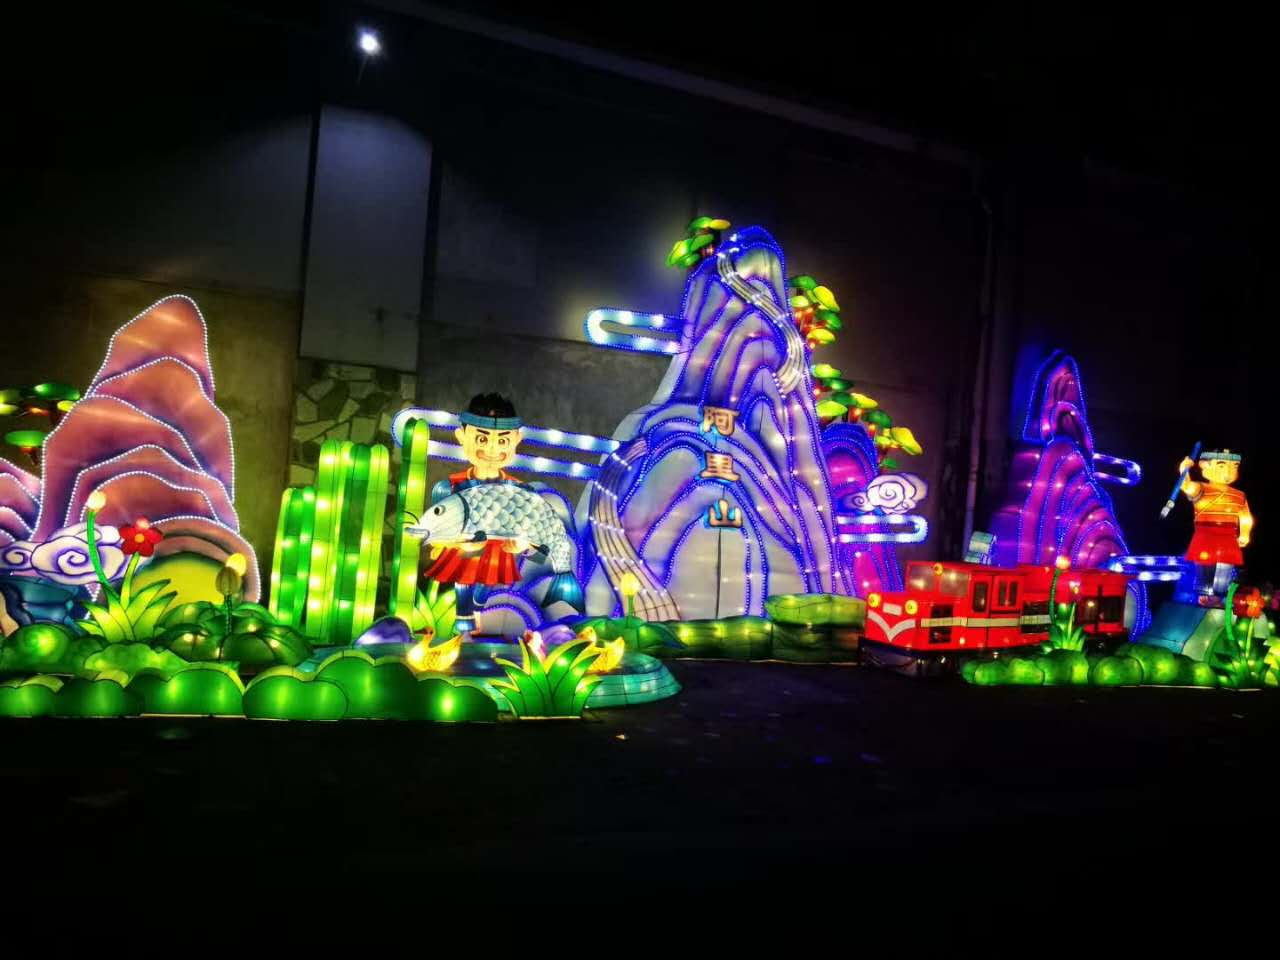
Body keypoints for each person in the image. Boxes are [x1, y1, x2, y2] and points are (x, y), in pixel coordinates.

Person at [419, 393, 582, 636]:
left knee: (489, 604)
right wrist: (459, 545)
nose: (492, 449)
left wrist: (523, 547)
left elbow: (538, 553)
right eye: (482, 439)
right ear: (461, 436)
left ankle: (480, 622)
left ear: (517, 440)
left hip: (501, 572)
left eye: (503, 440)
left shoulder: (522, 494)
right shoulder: (449, 489)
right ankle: (463, 625)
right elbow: (435, 536)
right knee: (464, 593)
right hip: (462, 567)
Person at [1178, 449, 1253, 599]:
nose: (1228, 471)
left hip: (1229, 537)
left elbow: (1245, 516)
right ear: (1205, 465)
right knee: (1205, 564)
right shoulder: (1201, 488)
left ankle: (1220, 594)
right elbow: (1186, 486)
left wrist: (1245, 533)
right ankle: (1203, 595)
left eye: (1234, 466)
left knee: (1226, 566)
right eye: (1221, 465)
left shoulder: (1239, 495)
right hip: (1205, 535)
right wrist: (1184, 469)